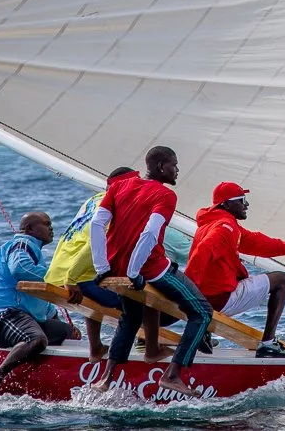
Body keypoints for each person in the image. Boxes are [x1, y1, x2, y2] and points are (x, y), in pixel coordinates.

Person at [88, 146, 213, 398]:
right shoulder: (165, 195)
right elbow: (150, 233)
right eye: (174, 165)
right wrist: (135, 272)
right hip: (152, 268)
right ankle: (173, 376)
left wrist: (102, 268)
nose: (177, 170)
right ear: (160, 167)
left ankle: (106, 377)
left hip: (116, 267)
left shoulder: (118, 186)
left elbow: (97, 223)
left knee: (131, 317)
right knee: (201, 312)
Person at [44, 166, 173, 364]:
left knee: (101, 282)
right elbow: (94, 244)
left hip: (56, 272)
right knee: (147, 299)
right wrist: (72, 279)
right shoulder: (118, 205)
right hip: (75, 276)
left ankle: (96, 348)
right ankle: (151, 349)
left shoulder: (94, 200)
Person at [184, 182, 285, 358]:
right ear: (226, 204)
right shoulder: (225, 227)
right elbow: (201, 254)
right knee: (280, 279)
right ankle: (268, 344)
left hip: (206, 298)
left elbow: (256, 242)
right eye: (241, 200)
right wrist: (187, 296)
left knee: (239, 278)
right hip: (217, 301)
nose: (246, 204)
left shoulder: (214, 223)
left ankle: (204, 333)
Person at [0, 211, 81, 392]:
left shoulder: (32, 249)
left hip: (21, 316)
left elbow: (36, 297)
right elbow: (19, 268)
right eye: (46, 223)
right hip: (4, 316)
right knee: (36, 339)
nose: (51, 228)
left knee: (65, 331)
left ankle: (31, 360)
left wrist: (58, 320)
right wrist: (60, 279)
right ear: (29, 228)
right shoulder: (22, 243)